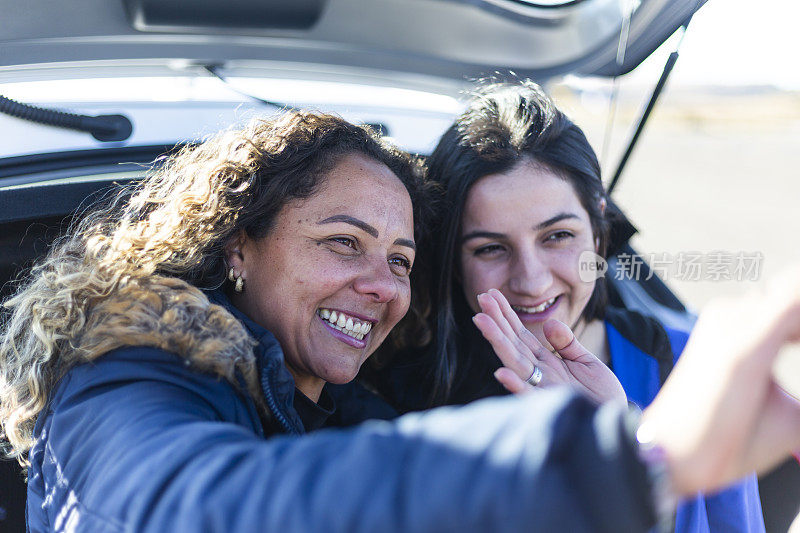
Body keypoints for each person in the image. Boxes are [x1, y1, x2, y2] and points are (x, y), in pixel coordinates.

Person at [1, 109, 798, 533]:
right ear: (238, 242)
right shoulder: (124, 376)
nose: (377, 285)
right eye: (343, 241)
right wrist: (626, 458)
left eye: (400, 260)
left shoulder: (354, 407)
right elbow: (198, 510)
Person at [371, 80, 764, 531]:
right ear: (454, 262)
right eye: (490, 249)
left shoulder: (696, 369)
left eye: (558, 236)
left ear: (598, 230)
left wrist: (629, 451)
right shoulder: (404, 400)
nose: (532, 280)